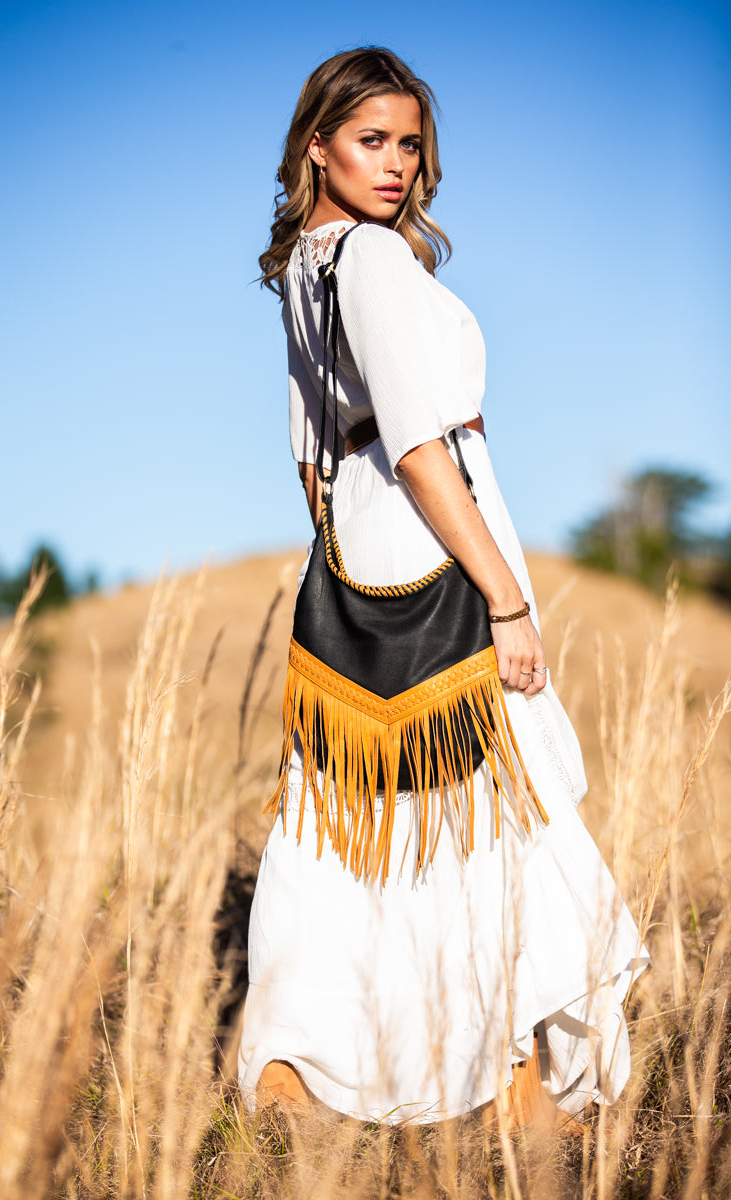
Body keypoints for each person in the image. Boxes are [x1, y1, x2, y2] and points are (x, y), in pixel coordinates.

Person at [238, 46, 647, 1127]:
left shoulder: (303, 266)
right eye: (370, 140)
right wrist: (506, 597)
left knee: (349, 826)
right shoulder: (369, 261)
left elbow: (307, 457)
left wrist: (348, 553)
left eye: (408, 143)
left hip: (353, 546)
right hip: (434, 532)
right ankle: (516, 1090)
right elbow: (421, 449)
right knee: (494, 812)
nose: (394, 164)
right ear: (315, 145)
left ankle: (297, 1072)